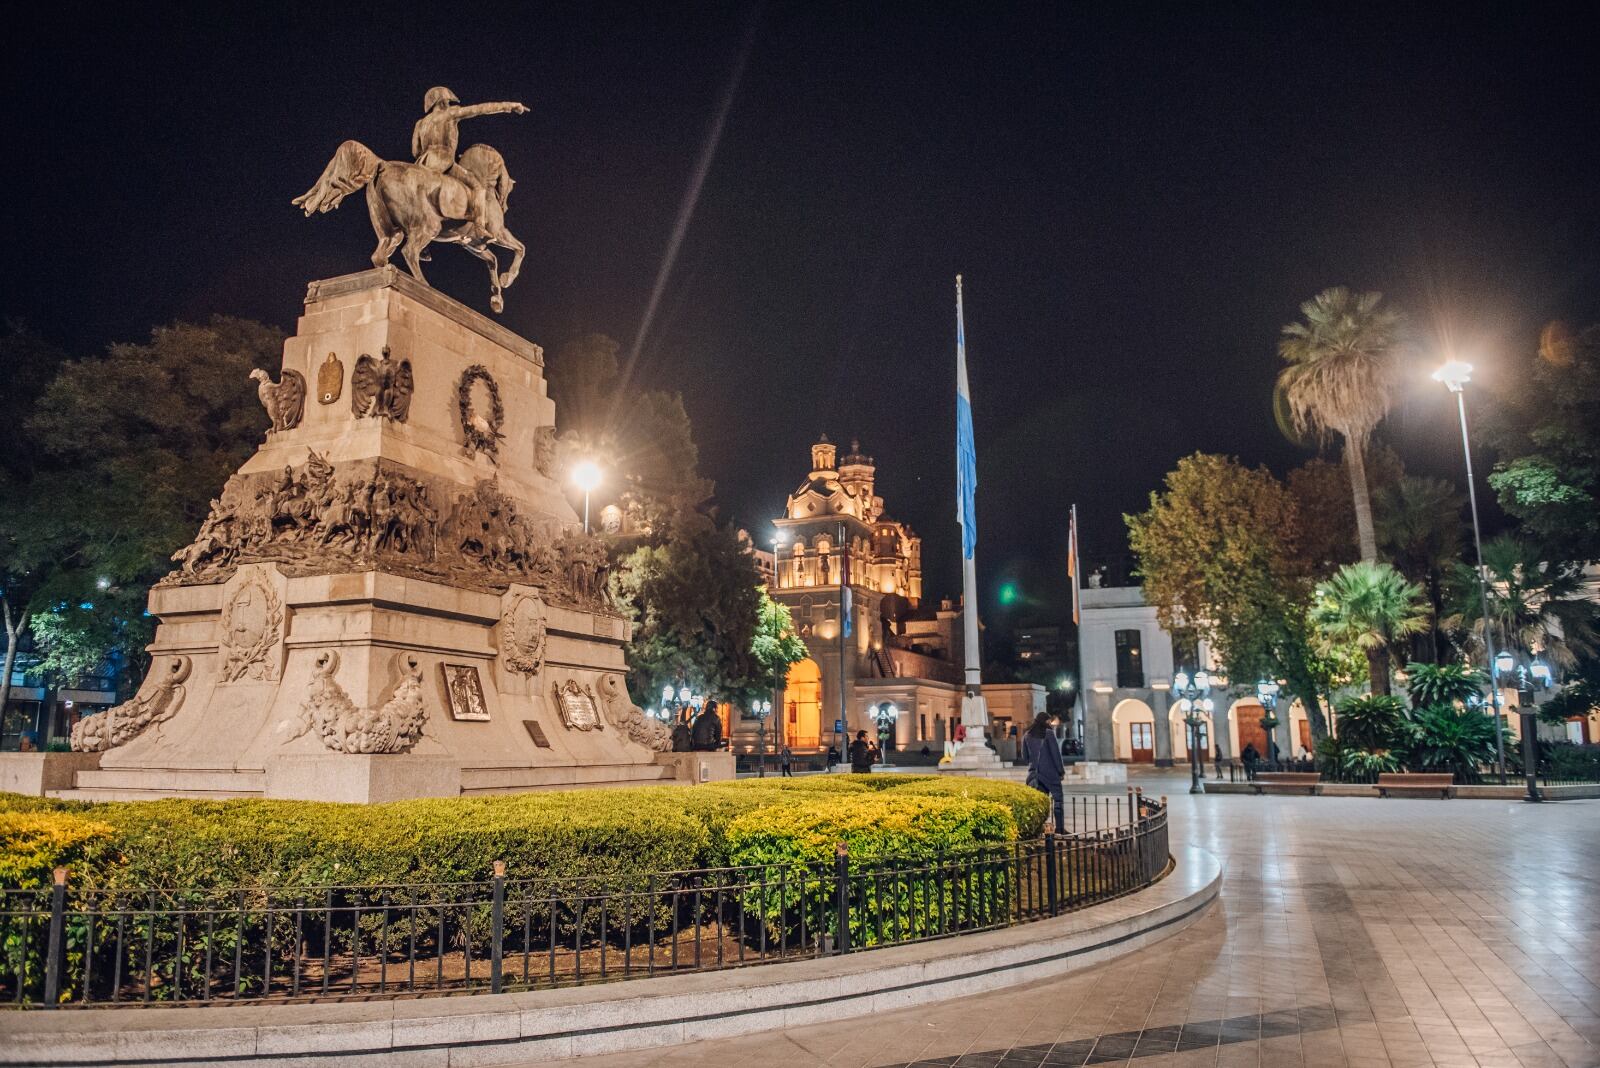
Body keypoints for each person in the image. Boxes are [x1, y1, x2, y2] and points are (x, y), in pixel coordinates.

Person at [1022, 712, 1066, 833]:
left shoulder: (1027, 735)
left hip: (1034, 775)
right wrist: (1060, 771)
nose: (1049, 724)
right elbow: (1055, 754)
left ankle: (1038, 828)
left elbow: (1025, 757)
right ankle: (1060, 829)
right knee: (1058, 800)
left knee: (1040, 803)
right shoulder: (1049, 734)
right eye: (1048, 721)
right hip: (1050, 774)